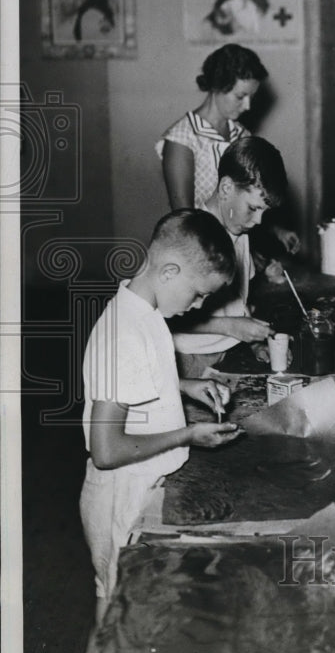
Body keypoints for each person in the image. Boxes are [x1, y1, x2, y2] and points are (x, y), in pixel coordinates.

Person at [79, 209, 242, 620]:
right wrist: (187, 434)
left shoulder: (147, 314)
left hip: (145, 481)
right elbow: (107, 449)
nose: (201, 305)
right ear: (169, 271)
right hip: (122, 491)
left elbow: (140, 386)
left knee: (133, 595)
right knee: (118, 599)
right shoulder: (123, 333)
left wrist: (187, 388)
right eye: (199, 293)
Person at [156, 43, 300, 256]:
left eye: (251, 97)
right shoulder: (182, 138)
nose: (248, 106)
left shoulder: (242, 135)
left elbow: (250, 199)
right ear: (217, 86)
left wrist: (276, 230)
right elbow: (183, 219)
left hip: (238, 248)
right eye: (241, 96)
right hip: (198, 250)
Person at [171, 136, 288, 378]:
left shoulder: (239, 228)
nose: (258, 221)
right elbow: (169, 318)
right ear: (226, 188)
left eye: (264, 212)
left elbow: (236, 302)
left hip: (226, 351)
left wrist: (254, 341)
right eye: (253, 208)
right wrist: (233, 327)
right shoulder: (192, 237)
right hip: (187, 360)